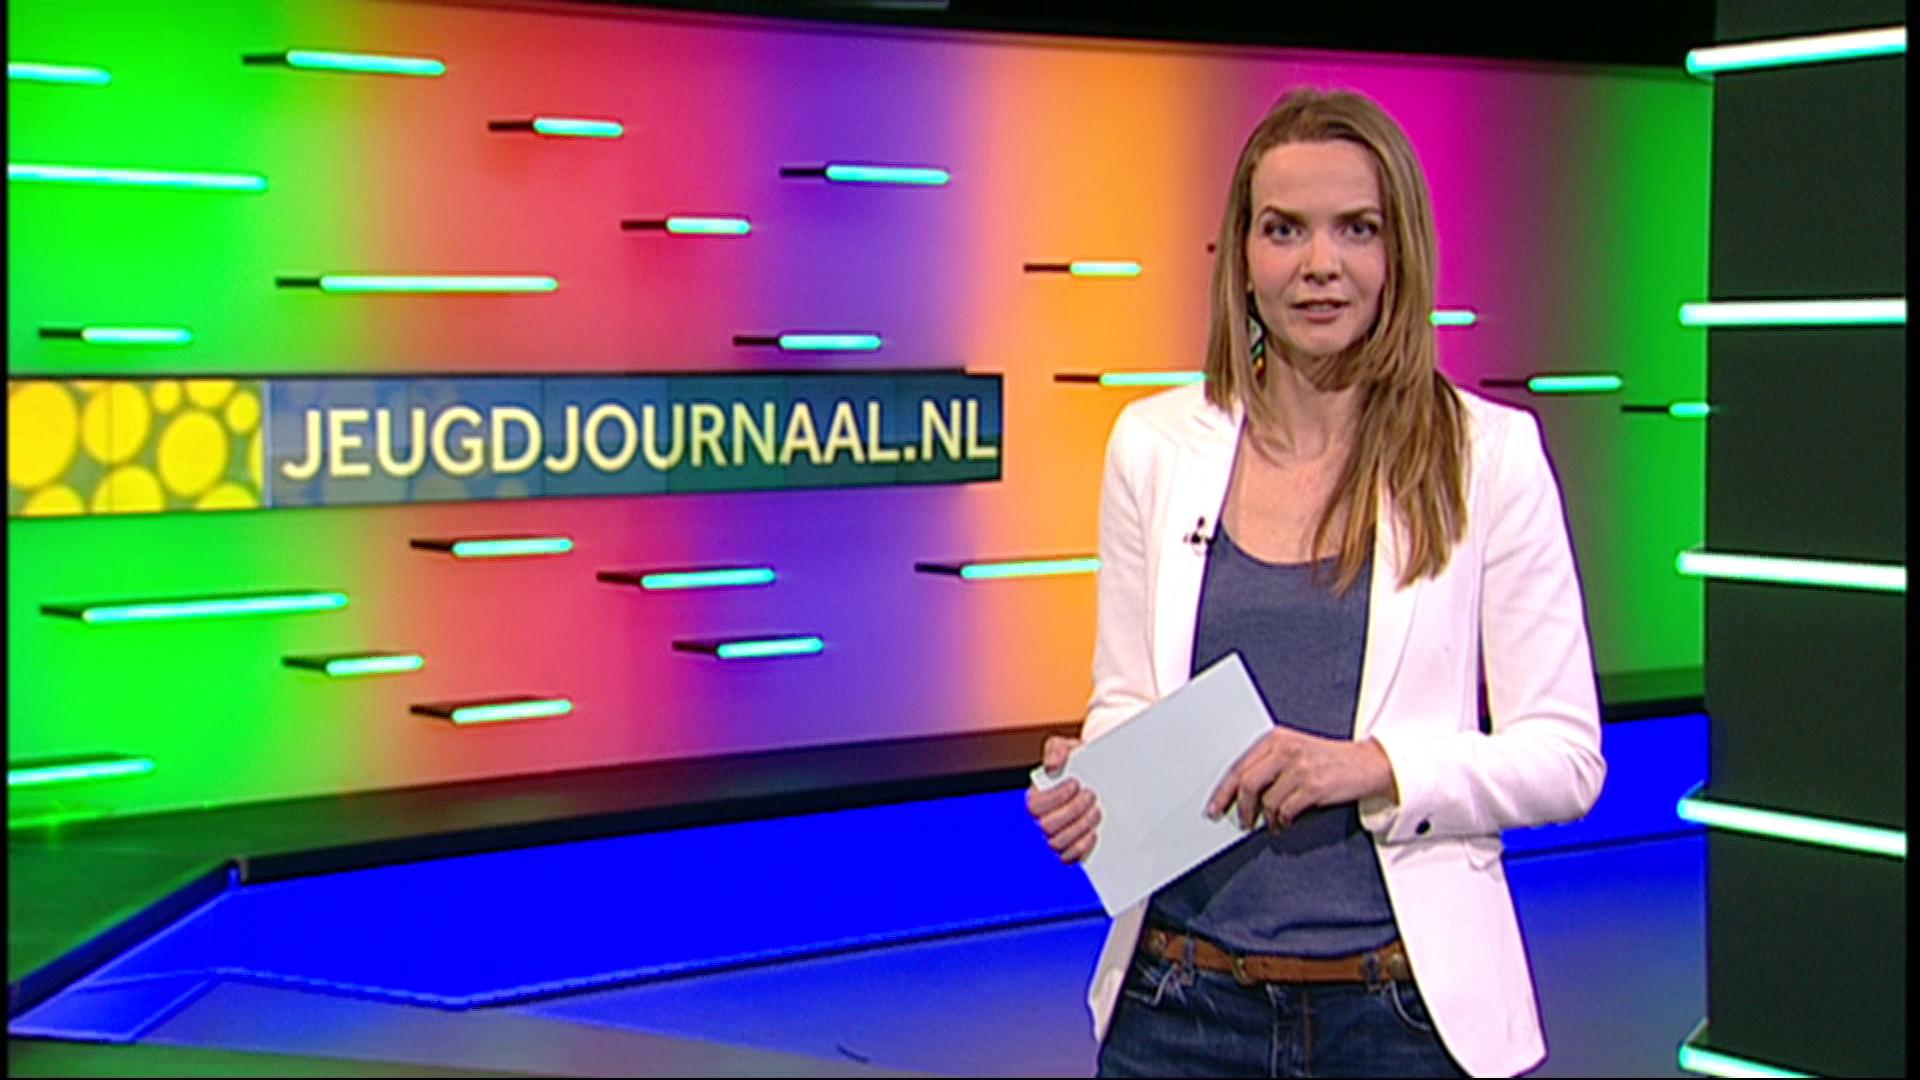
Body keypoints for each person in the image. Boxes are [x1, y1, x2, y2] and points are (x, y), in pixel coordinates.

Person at [1025, 87, 1606, 1078]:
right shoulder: (1154, 445)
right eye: (1284, 229)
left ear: (1399, 252)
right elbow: (1126, 698)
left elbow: (1565, 759)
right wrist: (1096, 782)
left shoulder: (1489, 455)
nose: (1319, 263)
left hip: (1397, 1016)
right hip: (1177, 1005)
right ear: (1243, 258)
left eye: (1356, 229)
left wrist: (1372, 766)